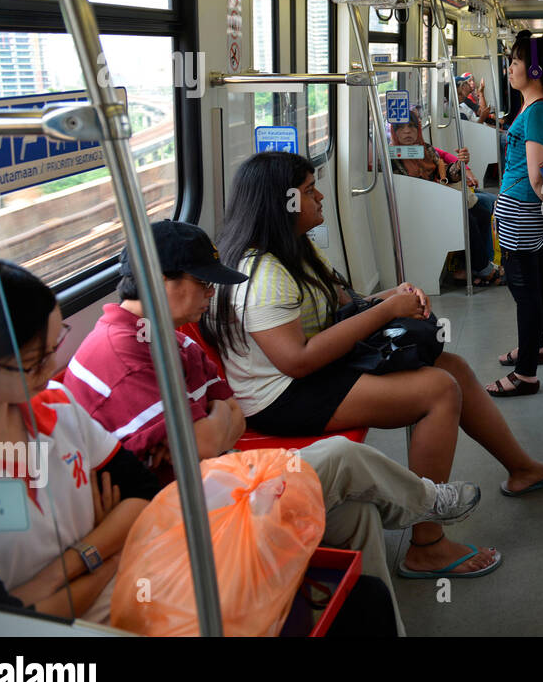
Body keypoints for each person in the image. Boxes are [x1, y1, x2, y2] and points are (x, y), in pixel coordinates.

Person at [64, 221, 483, 629]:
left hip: (222, 480)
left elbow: (232, 415)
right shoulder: (122, 355)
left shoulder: (173, 338)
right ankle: (426, 502)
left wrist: (214, 426)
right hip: (185, 515)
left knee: (357, 516)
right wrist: (214, 425)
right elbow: (206, 441)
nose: (211, 295)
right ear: (159, 281)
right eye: (204, 284)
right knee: (339, 456)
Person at [206, 150, 543, 576]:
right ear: (282, 204)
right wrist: (386, 312)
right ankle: (427, 544)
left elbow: (344, 308)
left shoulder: (299, 250)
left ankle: (522, 469)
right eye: (310, 192)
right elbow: (296, 360)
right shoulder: (264, 275)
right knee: (437, 391)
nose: (321, 199)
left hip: (309, 374)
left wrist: (393, 297)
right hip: (280, 397)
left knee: (452, 366)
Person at [0, 259, 159, 622]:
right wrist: (109, 557)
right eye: (32, 362)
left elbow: (143, 492)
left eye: (53, 347)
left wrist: (65, 568)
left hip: (129, 594)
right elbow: (3, 620)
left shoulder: (58, 405)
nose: (52, 368)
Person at [489, 31, 543, 396]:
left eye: (515, 62)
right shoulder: (536, 106)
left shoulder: (537, 112)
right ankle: (533, 348)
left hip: (522, 208)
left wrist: (542, 204)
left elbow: (537, 175)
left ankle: (525, 374)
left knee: (525, 290)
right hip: (526, 208)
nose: (509, 68)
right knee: (537, 279)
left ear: (535, 69)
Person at [389, 111, 502, 287]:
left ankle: (471, 267)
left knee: (481, 211)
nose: (407, 132)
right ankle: (484, 269)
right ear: (394, 133)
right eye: (401, 128)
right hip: (414, 208)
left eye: (411, 127)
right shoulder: (390, 157)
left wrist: (459, 165)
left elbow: (446, 174)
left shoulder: (425, 149)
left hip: (434, 198)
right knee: (466, 217)